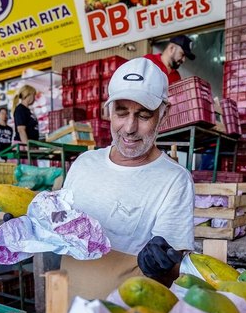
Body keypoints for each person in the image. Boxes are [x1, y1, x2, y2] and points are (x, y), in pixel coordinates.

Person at [60, 57, 195, 299]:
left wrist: (163, 265)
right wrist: (28, 227)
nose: (130, 127)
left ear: (164, 115)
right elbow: (57, 230)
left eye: (144, 116)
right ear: (109, 111)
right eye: (121, 113)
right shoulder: (83, 164)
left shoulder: (175, 181)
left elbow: (176, 273)